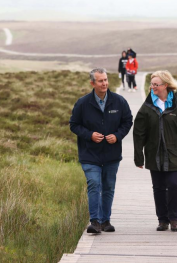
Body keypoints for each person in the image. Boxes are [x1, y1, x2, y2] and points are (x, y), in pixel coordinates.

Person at [133, 70, 177, 232]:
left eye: (156, 84)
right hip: (154, 154)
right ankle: (162, 220)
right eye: (151, 84)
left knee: (174, 184)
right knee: (159, 187)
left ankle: (174, 218)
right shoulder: (147, 106)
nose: (152, 87)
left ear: (166, 85)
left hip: (176, 153)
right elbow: (139, 132)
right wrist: (138, 157)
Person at [69, 68, 133, 233]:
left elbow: (127, 121)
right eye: (100, 81)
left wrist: (117, 136)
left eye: (105, 80)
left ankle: (106, 221)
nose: (104, 83)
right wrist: (89, 135)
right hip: (89, 154)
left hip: (112, 154)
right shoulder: (82, 103)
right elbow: (74, 125)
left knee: (108, 187)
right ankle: (95, 221)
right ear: (92, 83)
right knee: (94, 184)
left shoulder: (119, 102)